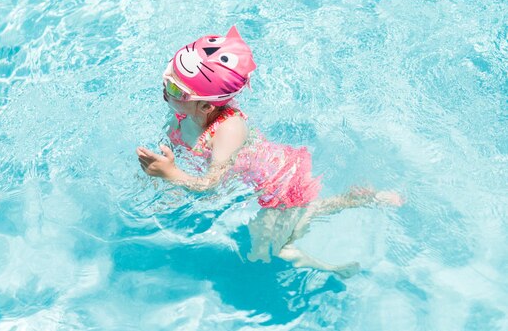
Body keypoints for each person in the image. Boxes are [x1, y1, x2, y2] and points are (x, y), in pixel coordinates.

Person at [136, 26, 402, 277]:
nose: (165, 86)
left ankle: (341, 250)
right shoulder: (183, 112)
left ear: (206, 107)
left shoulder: (229, 129)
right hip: (260, 182)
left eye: (174, 87)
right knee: (291, 224)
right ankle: (355, 198)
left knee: (266, 253)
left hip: (279, 184)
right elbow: (176, 150)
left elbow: (210, 184)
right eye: (168, 73)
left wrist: (170, 175)